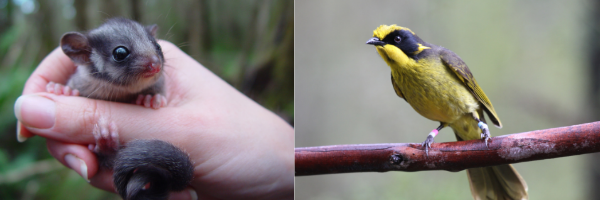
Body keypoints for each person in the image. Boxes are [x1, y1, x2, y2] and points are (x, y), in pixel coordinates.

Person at [13, 40, 294, 200]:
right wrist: (62, 92)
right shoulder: (80, 82)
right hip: (123, 160)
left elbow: (159, 85)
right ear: (85, 55)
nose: (154, 64)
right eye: (122, 54)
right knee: (101, 151)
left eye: (155, 49)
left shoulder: (155, 87)